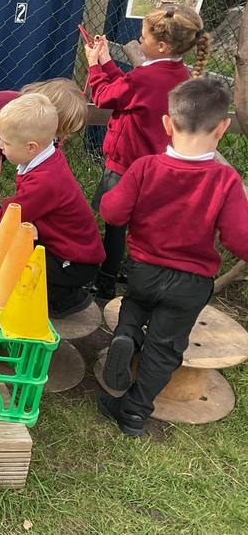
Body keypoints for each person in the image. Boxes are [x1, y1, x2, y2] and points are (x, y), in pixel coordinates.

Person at [97, 78, 248, 437]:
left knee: (135, 306)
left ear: (167, 123)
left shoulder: (145, 167)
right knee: (165, 348)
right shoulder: (225, 180)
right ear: (222, 127)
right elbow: (238, 237)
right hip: (190, 283)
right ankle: (134, 413)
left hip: (144, 270)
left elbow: (113, 212)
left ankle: (127, 336)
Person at [86, 5, 211, 299]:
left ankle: (106, 281)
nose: (140, 41)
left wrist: (93, 65)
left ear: (162, 45)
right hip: (154, 166)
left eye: (143, 38)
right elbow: (127, 91)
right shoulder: (177, 73)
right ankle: (135, 272)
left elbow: (105, 97)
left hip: (125, 166)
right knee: (141, 224)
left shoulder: (145, 77)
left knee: (115, 222)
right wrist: (107, 62)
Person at [0, 94, 105, 318]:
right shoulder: (44, 161)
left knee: (15, 284)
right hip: (61, 250)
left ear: (31, 147)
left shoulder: (44, 181)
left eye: (6, 143)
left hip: (73, 263)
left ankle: (67, 298)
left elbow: (4, 222)